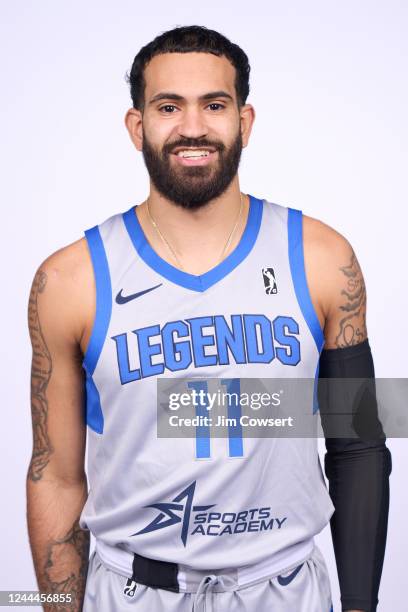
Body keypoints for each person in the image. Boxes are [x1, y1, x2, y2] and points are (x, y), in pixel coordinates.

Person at [26, 25, 391, 612]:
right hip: (132, 591)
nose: (192, 127)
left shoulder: (324, 259)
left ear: (244, 122)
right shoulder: (71, 280)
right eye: (168, 106)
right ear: (136, 125)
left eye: (214, 105)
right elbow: (57, 475)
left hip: (284, 589)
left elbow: (357, 447)